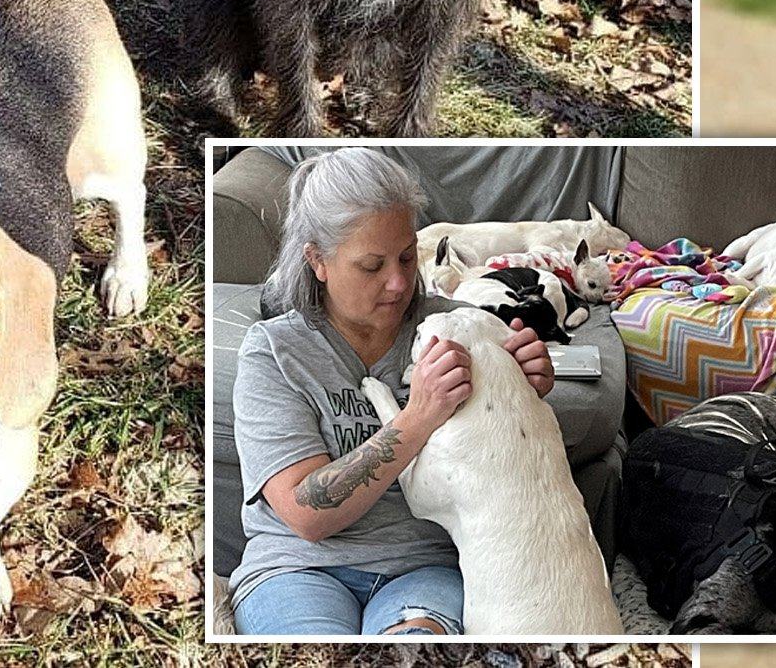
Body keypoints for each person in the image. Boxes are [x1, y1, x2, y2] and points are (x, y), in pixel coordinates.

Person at [227, 148, 555, 635]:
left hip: (425, 568)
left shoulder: (457, 327)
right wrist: (418, 415)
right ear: (317, 259)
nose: (399, 282)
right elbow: (305, 515)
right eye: (371, 266)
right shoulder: (274, 352)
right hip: (297, 567)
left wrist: (522, 390)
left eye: (406, 256)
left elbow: (504, 464)